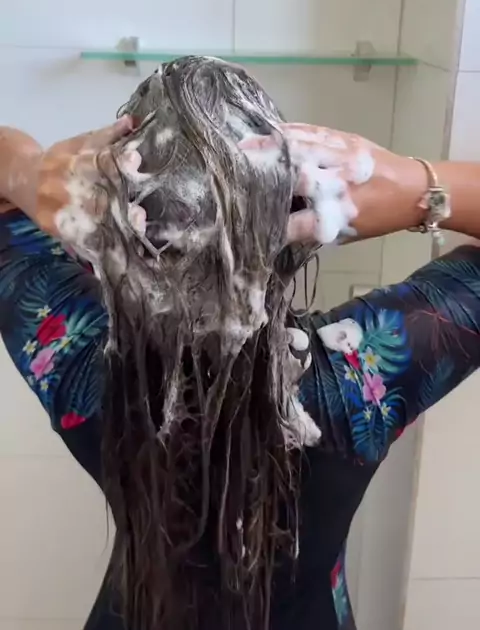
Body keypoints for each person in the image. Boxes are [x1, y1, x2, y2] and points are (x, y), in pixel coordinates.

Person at [1, 56, 480, 630]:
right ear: (298, 211)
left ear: (112, 223)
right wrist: (419, 188)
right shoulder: (361, 380)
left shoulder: (74, 357)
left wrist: (28, 174)